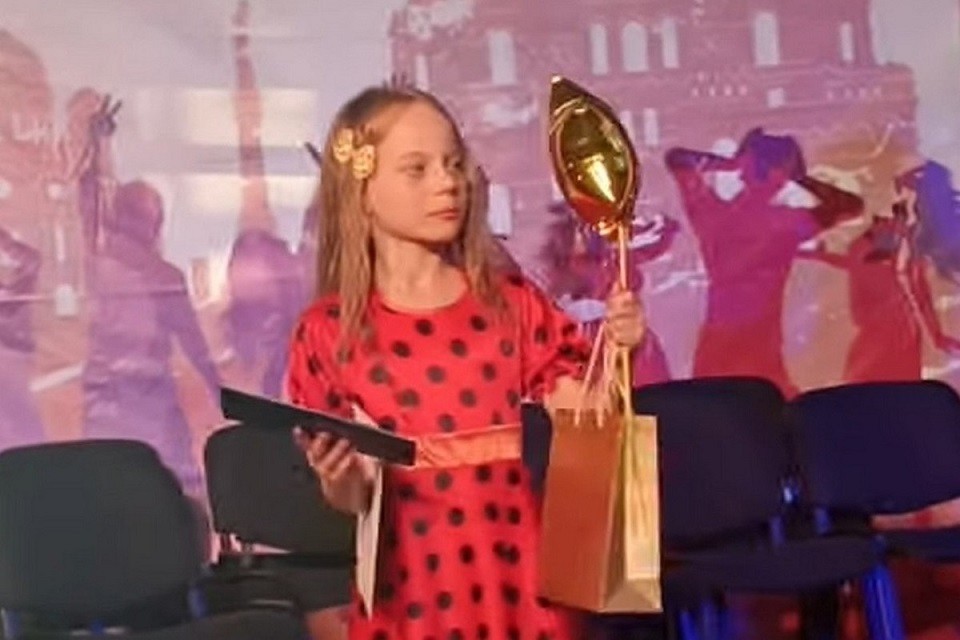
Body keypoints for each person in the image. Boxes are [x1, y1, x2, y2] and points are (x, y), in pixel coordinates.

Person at [286, 85, 646, 639]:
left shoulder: (509, 303)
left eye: (453, 164)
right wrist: (342, 478)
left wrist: (619, 353)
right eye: (417, 169)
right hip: (414, 586)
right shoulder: (329, 332)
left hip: (516, 571)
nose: (446, 182)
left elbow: (586, 417)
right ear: (361, 190)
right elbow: (352, 497)